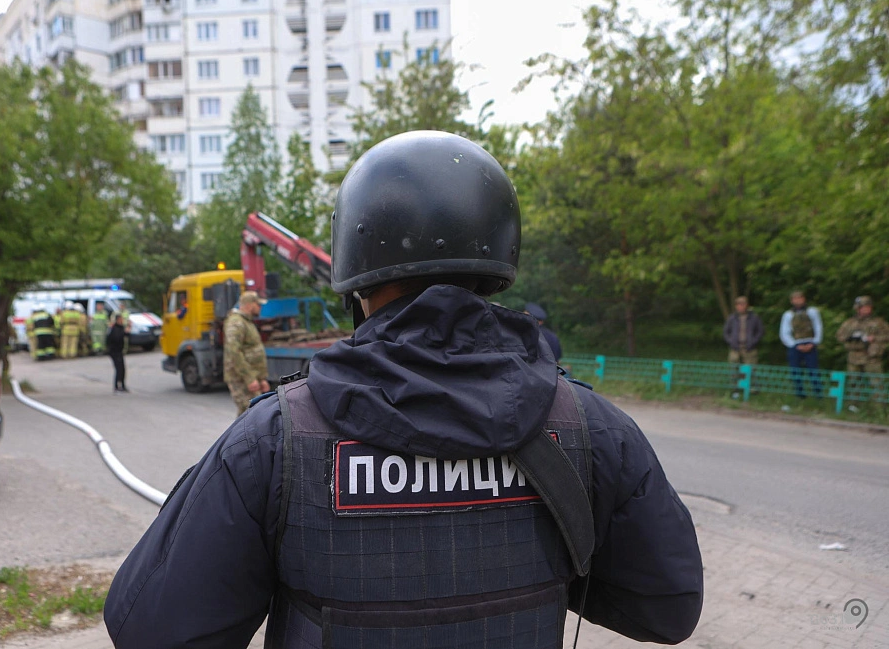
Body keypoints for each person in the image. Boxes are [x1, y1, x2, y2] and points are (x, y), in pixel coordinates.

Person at [104, 131, 703, 649]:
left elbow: (152, 629)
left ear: (356, 279)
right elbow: (667, 607)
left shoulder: (271, 441)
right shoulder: (589, 426)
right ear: (496, 259)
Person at [223, 291, 270, 416]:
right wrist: (249, 378)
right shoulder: (236, 323)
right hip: (240, 379)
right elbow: (233, 352)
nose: (260, 307)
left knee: (249, 415)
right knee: (250, 415)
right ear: (249, 305)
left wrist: (261, 378)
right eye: (258, 304)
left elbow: (253, 351)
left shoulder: (247, 322)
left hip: (251, 376)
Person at [836, 296, 889, 402]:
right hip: (854, 356)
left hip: (871, 357)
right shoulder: (850, 323)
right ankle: (853, 405)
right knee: (854, 382)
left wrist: (874, 338)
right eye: (863, 307)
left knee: (876, 382)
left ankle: (879, 407)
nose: (866, 309)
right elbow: (839, 336)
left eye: (868, 307)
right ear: (857, 308)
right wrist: (851, 337)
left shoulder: (879, 322)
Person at [780, 290, 824, 398]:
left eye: (800, 298)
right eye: (795, 299)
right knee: (796, 371)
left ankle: (818, 394)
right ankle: (800, 395)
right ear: (792, 301)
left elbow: (818, 327)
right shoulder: (788, 314)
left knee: (813, 370)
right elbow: (784, 332)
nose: (798, 301)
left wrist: (815, 342)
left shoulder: (812, 311)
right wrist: (794, 344)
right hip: (795, 345)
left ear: (804, 299)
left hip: (810, 343)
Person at [723, 296, 764, 397]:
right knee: (734, 369)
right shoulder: (732, 318)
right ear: (736, 306)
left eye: (743, 304)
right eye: (739, 304)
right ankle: (735, 389)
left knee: (750, 369)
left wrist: (753, 342)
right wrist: (731, 342)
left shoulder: (754, 317)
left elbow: (760, 331)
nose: (741, 306)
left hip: (750, 347)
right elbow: (726, 332)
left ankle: (751, 389)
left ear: (747, 305)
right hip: (735, 348)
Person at [106, 314, 128, 392]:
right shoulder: (115, 328)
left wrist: (127, 331)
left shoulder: (120, 327)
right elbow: (116, 338)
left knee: (122, 369)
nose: (122, 321)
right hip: (115, 351)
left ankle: (122, 385)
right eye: (121, 319)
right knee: (119, 369)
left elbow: (125, 335)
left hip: (119, 351)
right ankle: (116, 386)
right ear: (118, 320)